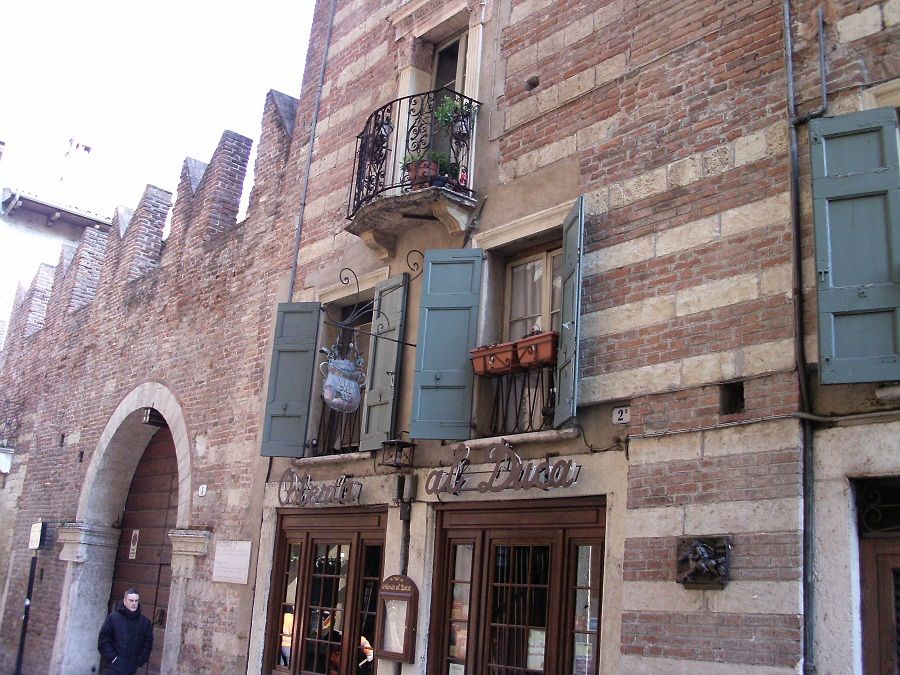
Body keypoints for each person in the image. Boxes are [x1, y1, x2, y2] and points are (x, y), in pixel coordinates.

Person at [97, 589, 153, 675]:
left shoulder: (144, 622)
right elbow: (103, 640)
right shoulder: (113, 618)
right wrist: (113, 658)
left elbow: (148, 644)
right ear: (125, 601)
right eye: (131, 600)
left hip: (131, 668)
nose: (134, 603)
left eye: (136, 601)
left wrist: (139, 661)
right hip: (112, 668)